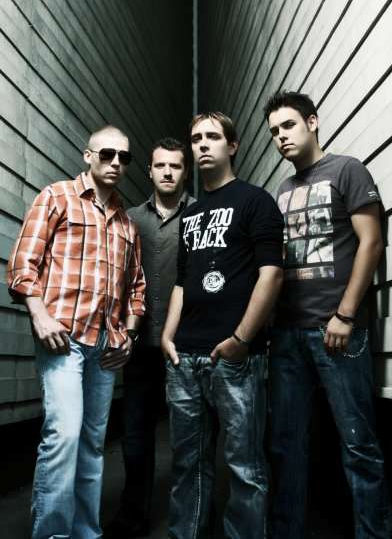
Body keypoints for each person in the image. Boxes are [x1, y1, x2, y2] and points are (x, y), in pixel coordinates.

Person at [264, 91, 392, 539]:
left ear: (312, 122)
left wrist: (346, 314)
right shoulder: (282, 191)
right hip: (287, 334)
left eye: (288, 125)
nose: (281, 137)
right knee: (286, 446)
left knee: (358, 444)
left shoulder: (347, 170)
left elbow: (371, 243)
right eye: (274, 131)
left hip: (336, 329)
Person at [7, 126, 145, 539]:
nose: (116, 163)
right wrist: (39, 315)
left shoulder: (127, 223)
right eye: (107, 154)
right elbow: (23, 264)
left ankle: (86, 532)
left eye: (124, 157)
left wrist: (129, 335)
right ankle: (53, 534)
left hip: (105, 347)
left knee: (92, 443)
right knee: (64, 436)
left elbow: (137, 288)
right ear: (88, 156)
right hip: (63, 340)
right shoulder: (57, 197)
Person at [161, 112, 284, 539]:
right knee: (187, 464)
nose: (202, 144)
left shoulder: (256, 201)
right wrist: (167, 336)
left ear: (232, 146)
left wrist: (241, 340)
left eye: (212, 136)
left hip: (235, 358)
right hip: (185, 357)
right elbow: (182, 282)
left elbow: (272, 275)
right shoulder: (190, 215)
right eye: (196, 138)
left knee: (245, 466)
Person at [104, 138, 195, 538]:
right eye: (161, 165)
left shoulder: (201, 215)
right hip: (139, 345)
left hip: (185, 345)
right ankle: (133, 515)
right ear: (150, 170)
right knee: (136, 434)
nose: (168, 172)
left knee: (189, 436)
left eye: (175, 166)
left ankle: (191, 516)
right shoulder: (130, 220)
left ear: (185, 172)